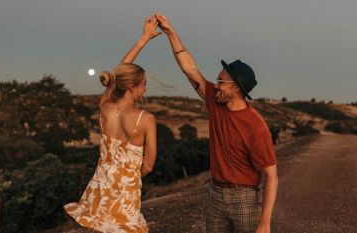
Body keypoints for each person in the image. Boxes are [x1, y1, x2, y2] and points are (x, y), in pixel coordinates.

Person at [155, 13, 278, 233]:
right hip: (216, 196)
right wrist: (170, 32)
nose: (217, 84)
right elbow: (190, 69)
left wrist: (265, 222)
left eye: (222, 81)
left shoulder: (255, 126)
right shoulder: (215, 101)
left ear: (237, 88)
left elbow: (271, 176)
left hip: (246, 199)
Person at [64, 16, 160, 233]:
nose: (145, 89)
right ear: (133, 87)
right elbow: (148, 166)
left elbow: (118, 73)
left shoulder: (104, 107)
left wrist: (142, 39)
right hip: (125, 198)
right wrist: (127, 179)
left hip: (99, 193)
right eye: (144, 85)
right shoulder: (146, 119)